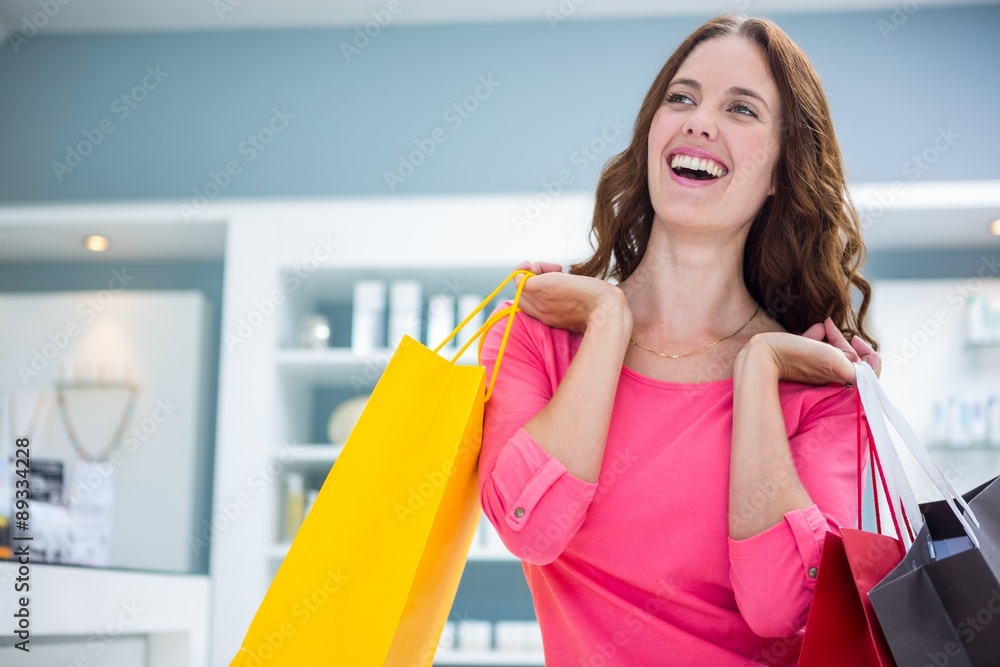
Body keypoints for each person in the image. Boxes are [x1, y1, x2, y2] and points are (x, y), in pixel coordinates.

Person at [477, 13, 883, 667]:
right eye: (682, 98)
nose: (699, 121)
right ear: (652, 135)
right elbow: (531, 528)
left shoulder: (817, 384)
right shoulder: (538, 336)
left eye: (742, 109)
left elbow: (784, 605)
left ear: (782, 168)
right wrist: (608, 319)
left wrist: (760, 367)